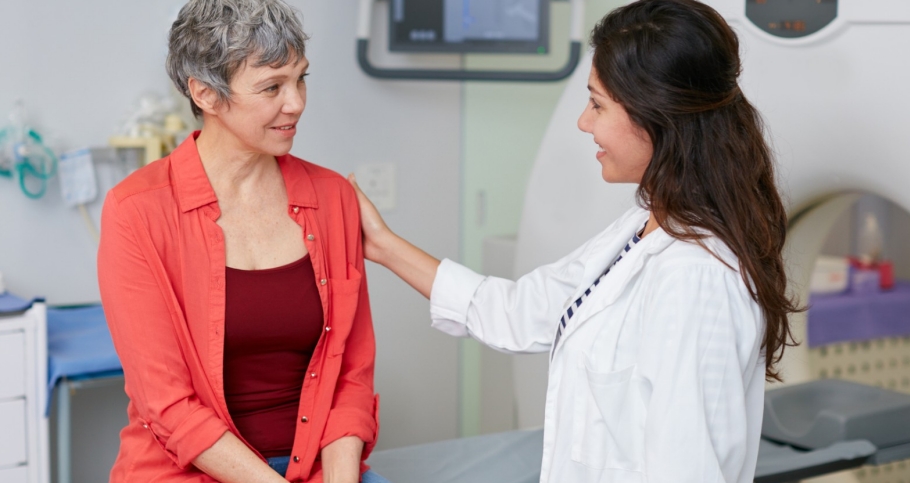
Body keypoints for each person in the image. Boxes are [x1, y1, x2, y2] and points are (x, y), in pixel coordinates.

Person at [349, 1, 798, 482]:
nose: (584, 122)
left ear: (657, 116)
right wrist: (381, 244)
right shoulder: (645, 227)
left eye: (598, 104)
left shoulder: (696, 277)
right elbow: (519, 310)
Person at [97, 1, 388, 482]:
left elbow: (351, 375)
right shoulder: (136, 211)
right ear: (205, 94)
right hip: (186, 470)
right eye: (272, 86)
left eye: (301, 79)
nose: (295, 102)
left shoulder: (333, 196)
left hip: (316, 466)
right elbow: (167, 403)